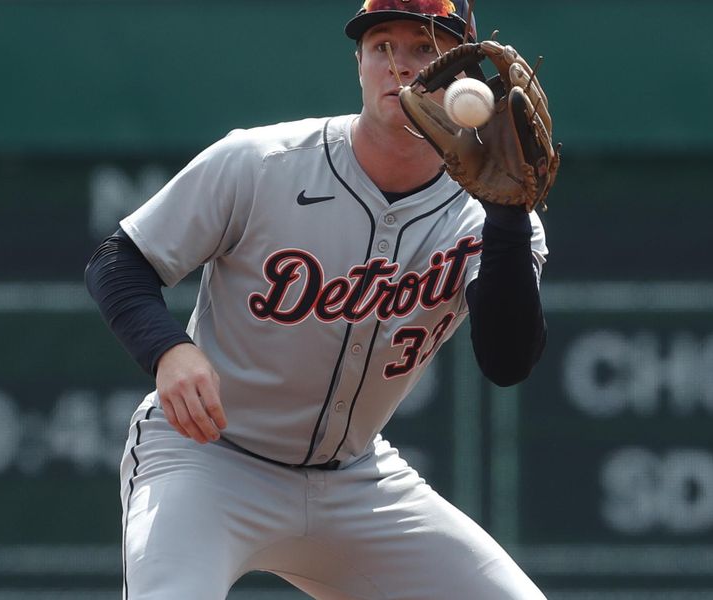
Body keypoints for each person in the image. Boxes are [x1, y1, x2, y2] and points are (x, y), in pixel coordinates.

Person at [85, 1, 549, 598]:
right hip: (208, 462)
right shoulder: (261, 163)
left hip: (356, 482)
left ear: (462, 77)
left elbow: (507, 362)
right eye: (383, 46)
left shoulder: (488, 219)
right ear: (358, 61)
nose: (401, 68)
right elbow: (119, 260)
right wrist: (169, 350)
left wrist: (508, 220)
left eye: (425, 49)